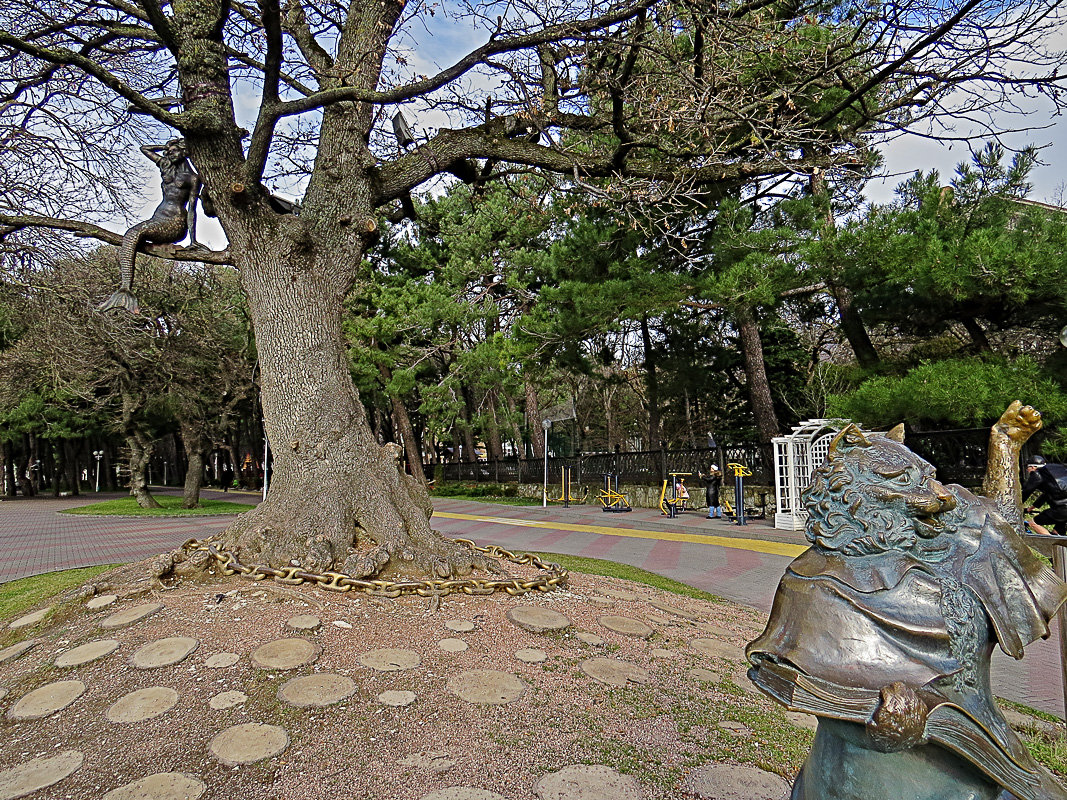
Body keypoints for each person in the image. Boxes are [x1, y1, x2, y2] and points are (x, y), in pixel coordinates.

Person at [99, 139, 208, 313]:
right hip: (157, 219)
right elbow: (144, 148)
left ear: (184, 152)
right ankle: (125, 287)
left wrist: (193, 240)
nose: (168, 154)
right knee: (132, 235)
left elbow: (192, 210)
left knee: (134, 233)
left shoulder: (192, 178)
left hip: (174, 223)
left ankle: (126, 288)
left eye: (173, 152)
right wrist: (164, 147)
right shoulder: (166, 165)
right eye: (168, 152)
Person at [1022, 454, 1067, 536]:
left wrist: (1016, 504)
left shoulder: (1037, 474)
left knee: (1032, 523)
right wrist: (1030, 508)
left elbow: (1026, 491)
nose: (1027, 470)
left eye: (1027, 468)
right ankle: (1059, 544)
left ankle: (1050, 544)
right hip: (1063, 510)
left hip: (1062, 510)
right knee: (1057, 532)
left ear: (1033, 467)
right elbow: (1046, 495)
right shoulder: (1052, 474)